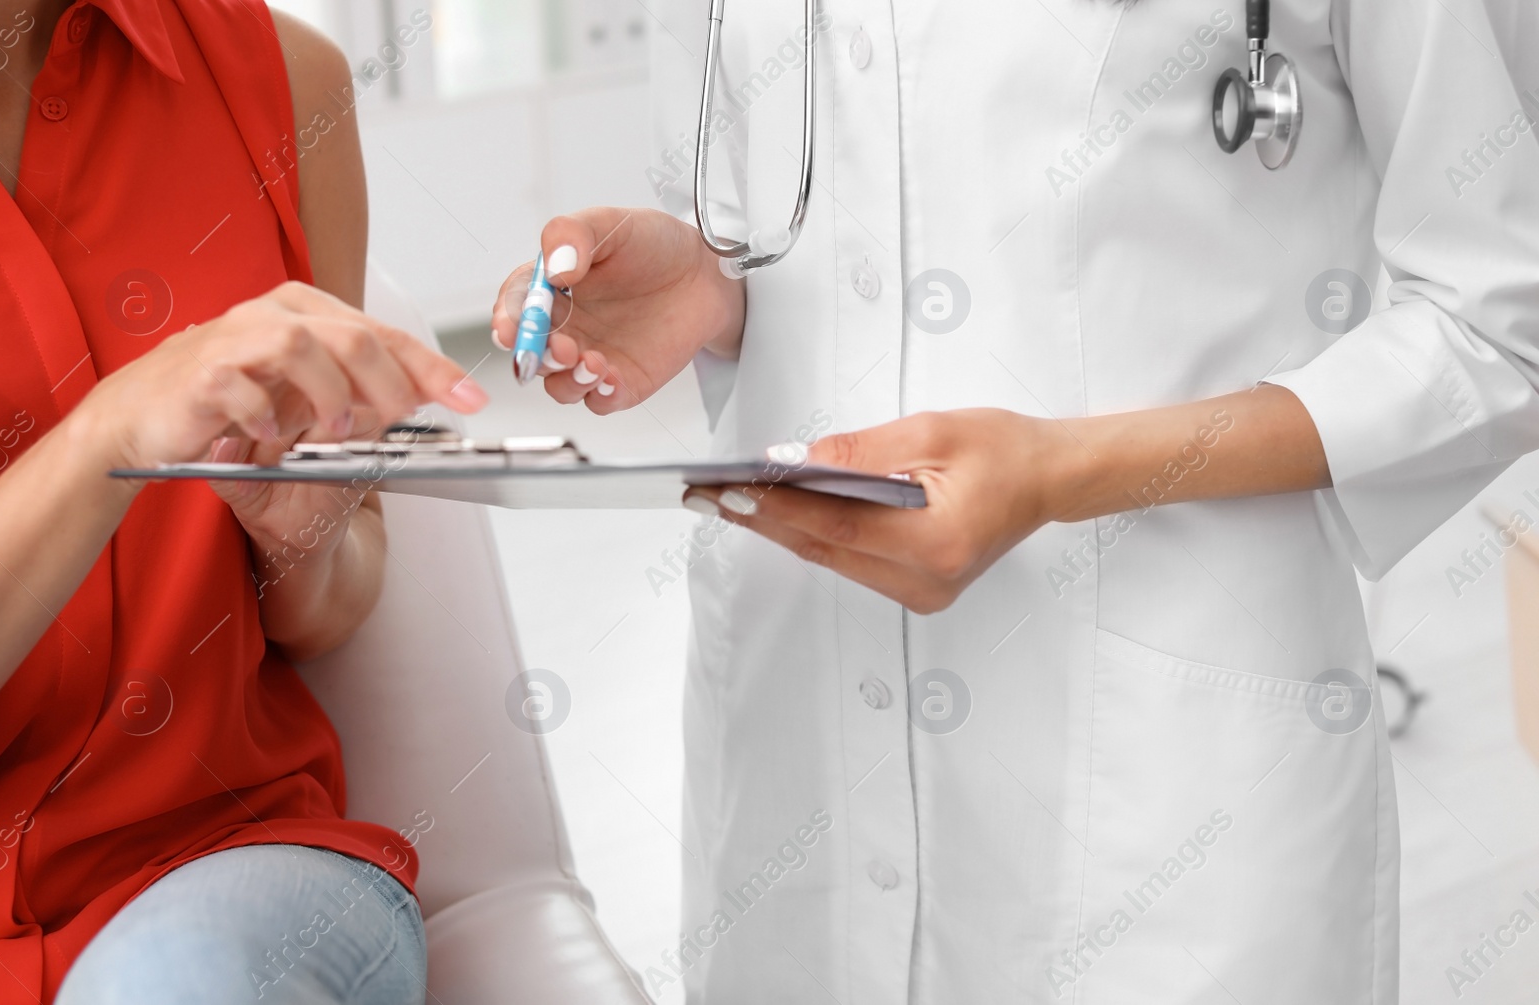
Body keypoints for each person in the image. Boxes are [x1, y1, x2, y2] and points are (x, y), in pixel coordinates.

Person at [493, 0, 1539, 1000]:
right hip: (799, 724)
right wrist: (710, 288)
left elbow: (1493, 316)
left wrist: (1059, 471)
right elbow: (770, 217)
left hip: (1164, 780)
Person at [0, 0, 485, 1000]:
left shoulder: (285, 79)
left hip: (216, 868)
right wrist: (107, 436)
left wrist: (303, 543)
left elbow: (336, 595)